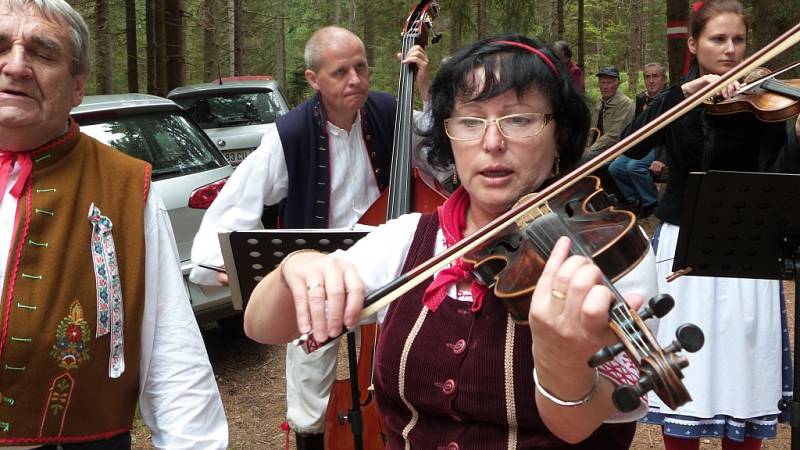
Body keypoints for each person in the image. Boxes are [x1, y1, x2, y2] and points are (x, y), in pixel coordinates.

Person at [243, 34, 663, 448]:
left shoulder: (607, 251)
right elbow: (262, 326)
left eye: (518, 119)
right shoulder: (407, 238)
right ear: (449, 137)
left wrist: (565, 359)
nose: (492, 142)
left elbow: (577, 427)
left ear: (561, 136)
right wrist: (295, 267)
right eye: (470, 120)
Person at [189, 26, 431, 450]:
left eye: (361, 67)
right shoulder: (291, 134)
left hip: (386, 260)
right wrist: (220, 262)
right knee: (309, 364)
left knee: (400, 359)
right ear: (313, 79)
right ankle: (309, 439)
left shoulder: (391, 110)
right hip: (317, 266)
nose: (355, 79)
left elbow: (439, 154)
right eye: (340, 72)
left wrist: (423, 91)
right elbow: (235, 202)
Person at [0, 0, 227, 448]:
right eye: (2, 46)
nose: (16, 66)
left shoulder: (126, 190)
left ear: (78, 84)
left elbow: (173, 359)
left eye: (43, 53)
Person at [620, 1, 800, 449]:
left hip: (746, 246)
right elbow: (631, 145)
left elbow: (778, 176)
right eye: (718, 39)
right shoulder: (675, 101)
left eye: (738, 40)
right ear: (695, 44)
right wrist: (679, 99)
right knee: (686, 373)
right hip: (684, 245)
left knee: (743, 372)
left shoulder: (766, 100)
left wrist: (797, 138)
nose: (730, 49)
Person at [608, 62, 668, 218]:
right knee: (615, 167)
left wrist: (663, 159)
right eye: (647, 76)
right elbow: (636, 127)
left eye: (655, 76)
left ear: (664, 78)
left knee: (635, 167)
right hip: (642, 145)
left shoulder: (669, 98)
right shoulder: (642, 98)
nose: (651, 81)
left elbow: (673, 132)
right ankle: (634, 200)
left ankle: (651, 203)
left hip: (660, 146)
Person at [583, 67, 634, 162]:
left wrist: (591, 149)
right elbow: (591, 129)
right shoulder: (599, 103)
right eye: (602, 83)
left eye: (608, 83)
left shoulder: (626, 104)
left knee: (581, 159)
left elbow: (615, 134)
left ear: (617, 84)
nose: (605, 87)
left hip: (613, 150)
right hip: (596, 148)